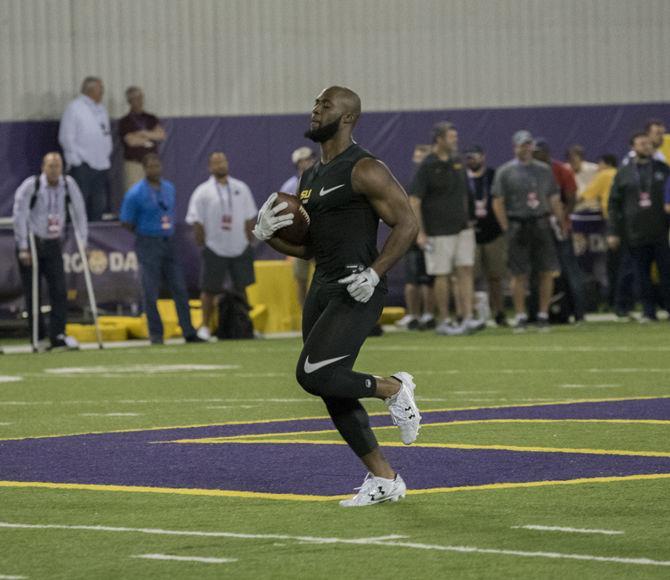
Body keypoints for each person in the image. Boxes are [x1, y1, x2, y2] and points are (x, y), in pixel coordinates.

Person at [252, 86, 421, 507]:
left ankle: (394, 388)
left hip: (357, 286)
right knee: (332, 387)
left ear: (347, 117)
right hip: (323, 286)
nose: (315, 110)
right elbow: (312, 249)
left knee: (311, 374)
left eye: (325, 105)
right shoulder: (311, 176)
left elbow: (407, 224)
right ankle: (384, 478)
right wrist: (267, 237)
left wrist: (376, 271)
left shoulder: (365, 168)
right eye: (314, 103)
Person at [120, 153, 204, 345]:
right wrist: (145, 231)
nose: (155, 170)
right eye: (151, 167)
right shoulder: (136, 193)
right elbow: (126, 221)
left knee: (180, 288)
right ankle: (156, 333)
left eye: (157, 166)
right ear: (144, 168)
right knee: (150, 290)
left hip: (169, 240)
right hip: (148, 241)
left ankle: (188, 331)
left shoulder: (169, 188)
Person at [409, 122, 483, 335]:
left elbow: (464, 193)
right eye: (451, 137)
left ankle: (467, 318)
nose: (455, 140)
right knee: (441, 274)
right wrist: (420, 232)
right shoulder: (427, 165)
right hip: (438, 230)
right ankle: (443, 320)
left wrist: (469, 218)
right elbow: (414, 200)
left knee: (466, 270)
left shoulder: (457, 162)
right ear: (439, 140)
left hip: (462, 228)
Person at [12, 152, 88, 350]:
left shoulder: (68, 185)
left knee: (59, 290)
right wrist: (22, 247)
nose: (55, 170)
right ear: (43, 167)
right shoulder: (32, 186)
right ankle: (37, 334)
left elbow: (79, 213)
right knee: (33, 292)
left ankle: (58, 334)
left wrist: (83, 242)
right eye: (51, 166)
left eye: (58, 166)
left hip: (53, 242)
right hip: (32, 242)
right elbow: (19, 215)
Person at [492, 130, 565, 331]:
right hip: (518, 223)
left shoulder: (544, 170)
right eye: (522, 144)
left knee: (546, 271)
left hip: (540, 222)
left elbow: (553, 198)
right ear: (515, 147)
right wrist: (505, 226)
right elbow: (498, 201)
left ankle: (543, 314)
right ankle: (521, 315)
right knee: (518, 273)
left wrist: (560, 222)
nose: (526, 148)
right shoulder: (505, 171)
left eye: (529, 144)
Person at [186, 152, 258, 341]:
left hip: (239, 245)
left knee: (241, 287)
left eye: (223, 161)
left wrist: (249, 239)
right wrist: (203, 243)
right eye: (216, 163)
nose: (220, 165)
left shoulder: (241, 188)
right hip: (215, 246)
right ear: (210, 167)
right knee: (209, 289)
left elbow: (250, 216)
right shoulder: (203, 191)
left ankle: (245, 324)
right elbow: (196, 220)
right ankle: (205, 327)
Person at [608, 132, 670, 322]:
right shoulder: (624, 172)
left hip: (660, 230)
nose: (646, 147)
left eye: (648, 144)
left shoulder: (663, 169)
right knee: (641, 275)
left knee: (666, 272)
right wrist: (613, 232)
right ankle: (648, 311)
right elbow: (614, 204)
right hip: (634, 232)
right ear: (633, 147)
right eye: (641, 144)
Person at [533, 138, 586, 323]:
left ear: (546, 153)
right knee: (540, 271)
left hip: (558, 225)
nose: (535, 156)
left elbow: (571, 197)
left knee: (569, 269)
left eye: (538, 153)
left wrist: (563, 218)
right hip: (538, 225)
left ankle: (579, 312)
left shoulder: (560, 170)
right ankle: (540, 313)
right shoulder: (531, 170)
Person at [58, 76, 112, 221]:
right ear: (91, 90)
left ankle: (96, 239)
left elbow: (105, 133)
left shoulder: (101, 109)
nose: (103, 93)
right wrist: (76, 161)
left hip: (101, 165)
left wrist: (106, 154)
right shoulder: (75, 108)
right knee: (78, 205)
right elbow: (66, 136)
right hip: (83, 166)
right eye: (101, 89)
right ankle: (76, 240)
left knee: (98, 205)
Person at [465, 145, 507, 326]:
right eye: (468, 157)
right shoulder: (461, 178)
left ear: (483, 157)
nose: (471, 160)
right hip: (468, 234)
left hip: (493, 232)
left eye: (474, 157)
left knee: (496, 276)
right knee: (469, 277)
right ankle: (474, 314)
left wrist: (505, 227)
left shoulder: (493, 175)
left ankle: (499, 312)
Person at [396, 144, 436, 331]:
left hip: (432, 233)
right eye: (417, 156)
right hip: (412, 235)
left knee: (429, 279)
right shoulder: (410, 181)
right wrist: (417, 233)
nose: (420, 160)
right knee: (412, 279)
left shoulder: (433, 179)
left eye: (424, 156)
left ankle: (428, 314)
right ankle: (414, 315)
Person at [279, 146, 317, 306]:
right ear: (297, 164)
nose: (306, 163)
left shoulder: (322, 181)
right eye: (302, 161)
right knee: (301, 278)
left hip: (320, 236)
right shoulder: (289, 186)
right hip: (300, 238)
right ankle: (305, 314)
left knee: (326, 275)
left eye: (308, 159)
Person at [118, 86, 167, 193]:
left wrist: (142, 133)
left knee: (153, 192)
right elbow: (131, 141)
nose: (139, 101)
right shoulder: (125, 122)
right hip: (135, 164)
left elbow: (161, 135)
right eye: (136, 99)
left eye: (141, 98)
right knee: (135, 193)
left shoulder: (151, 118)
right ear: (130, 101)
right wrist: (149, 137)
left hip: (151, 164)